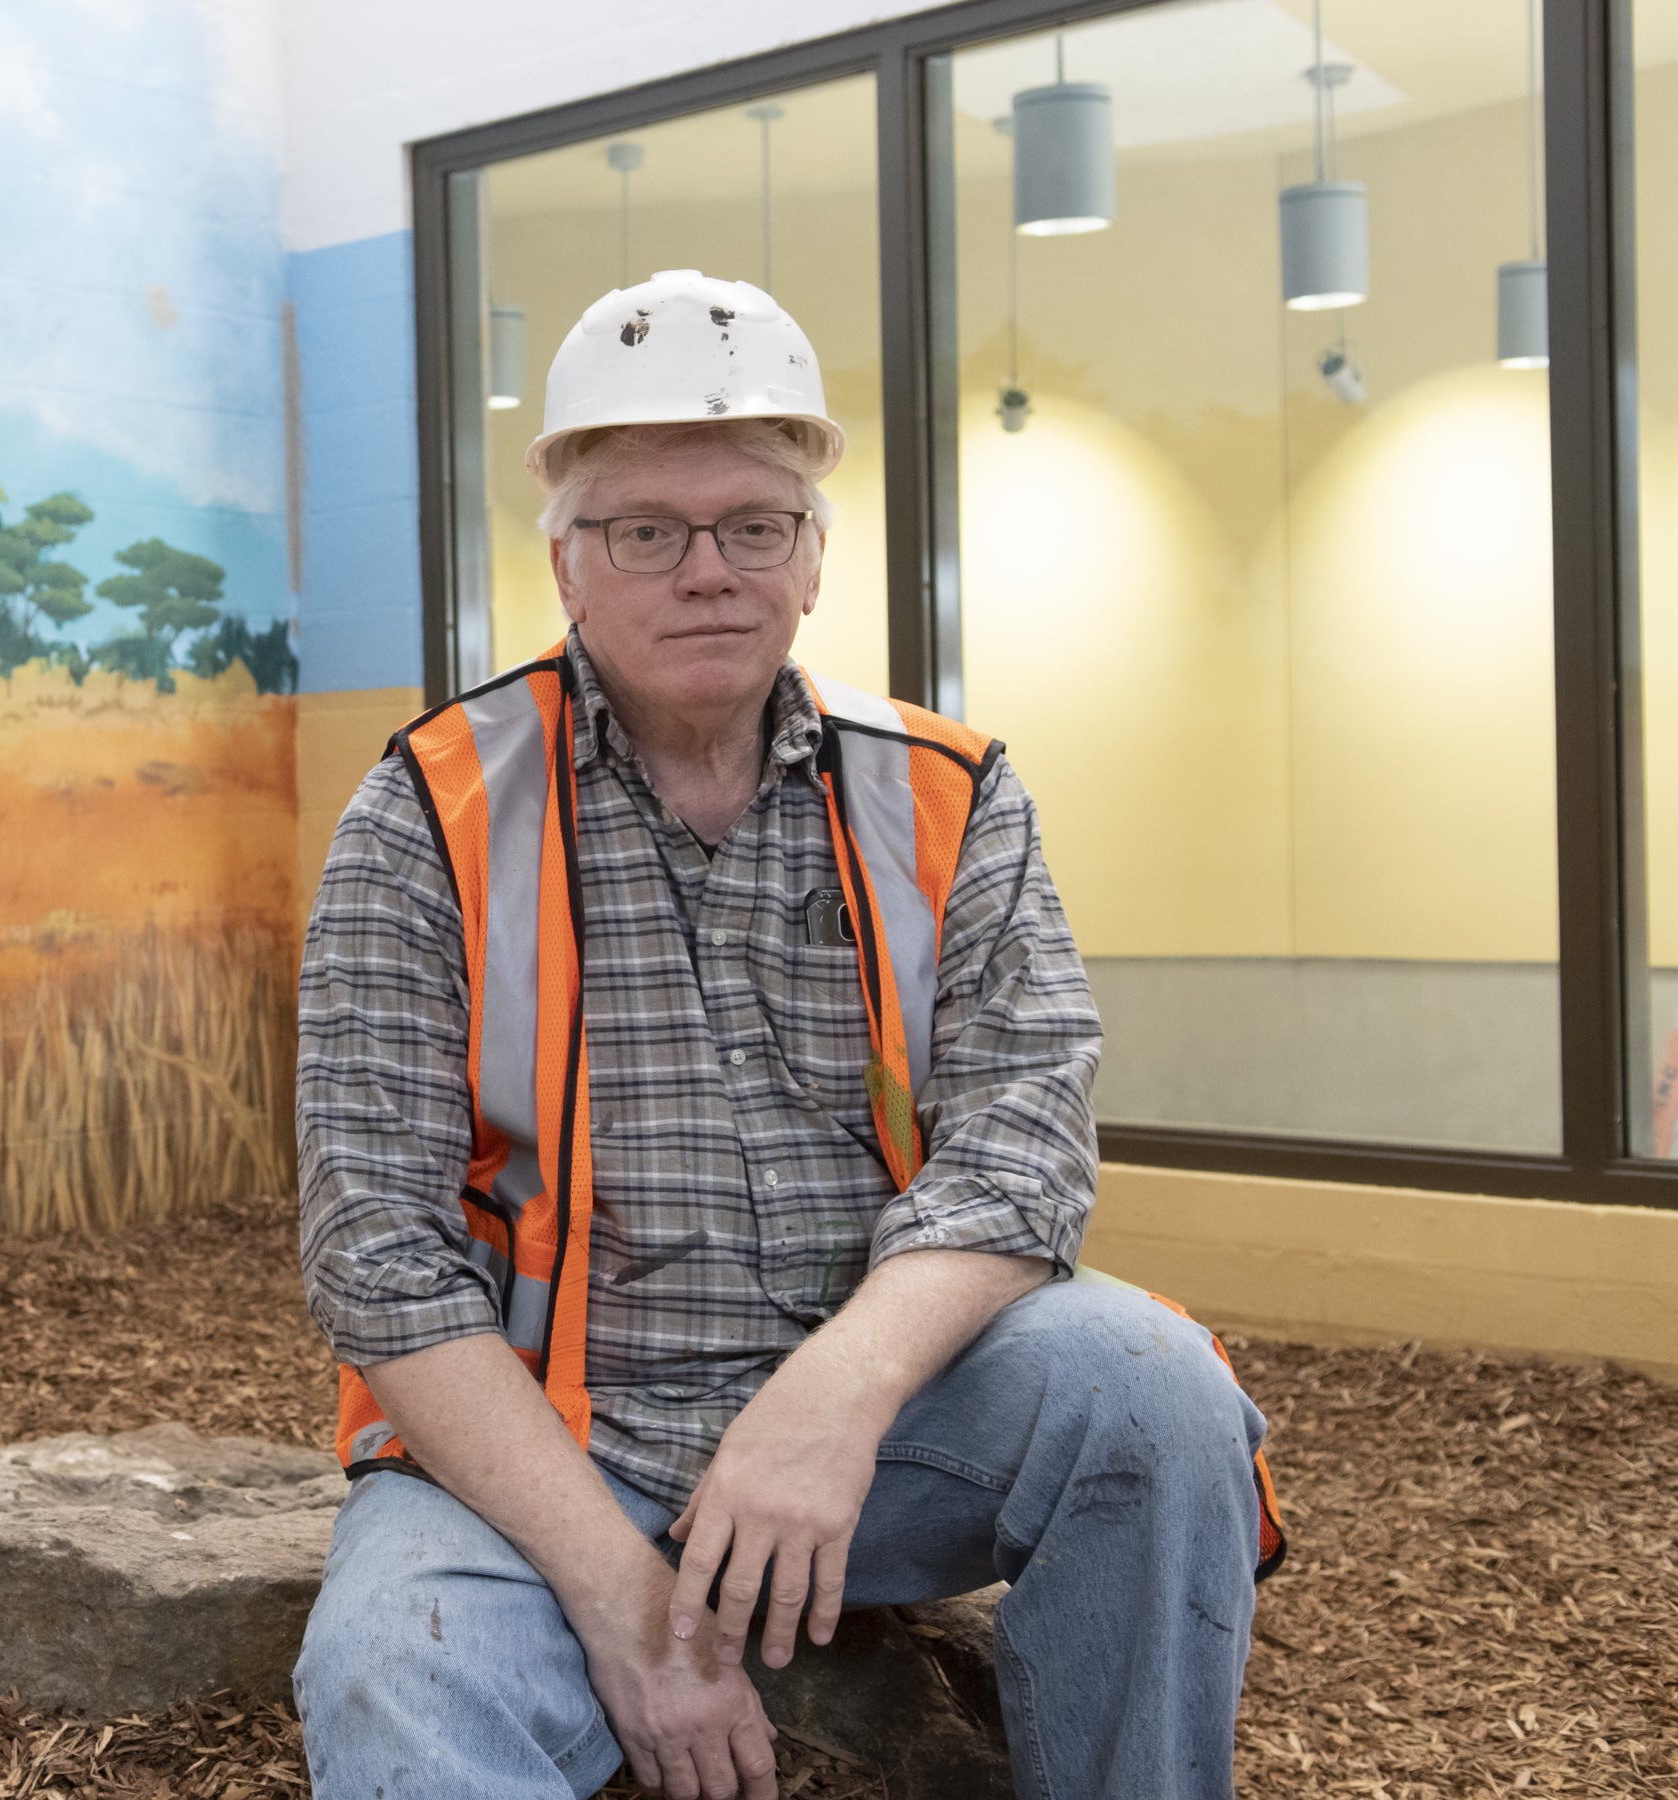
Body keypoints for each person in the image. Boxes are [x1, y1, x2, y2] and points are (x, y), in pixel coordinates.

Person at [291, 269, 1282, 1800]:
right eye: (648, 530)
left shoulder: (945, 795)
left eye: (756, 523)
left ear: (814, 558)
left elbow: (1024, 1144)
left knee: (1152, 1389)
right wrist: (626, 1612)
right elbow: (376, 1253)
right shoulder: (426, 815)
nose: (709, 570)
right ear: (566, 558)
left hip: (884, 1424)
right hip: (558, 1442)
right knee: (394, 1683)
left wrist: (835, 1399)